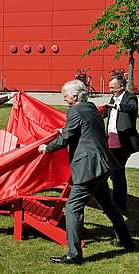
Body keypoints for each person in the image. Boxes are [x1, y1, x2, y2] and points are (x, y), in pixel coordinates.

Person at [38, 80, 136, 265]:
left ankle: (74, 255)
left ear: (75, 96)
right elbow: (83, 130)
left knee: (73, 206)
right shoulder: (90, 107)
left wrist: (46, 148)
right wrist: (64, 130)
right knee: (108, 205)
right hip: (103, 165)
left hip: (89, 167)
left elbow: (65, 139)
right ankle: (127, 242)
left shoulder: (74, 111)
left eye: (65, 96)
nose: (64, 99)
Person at [103, 75, 139, 212]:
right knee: (112, 173)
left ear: (122, 86)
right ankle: (114, 202)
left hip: (124, 143)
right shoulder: (113, 98)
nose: (111, 90)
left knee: (118, 172)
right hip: (111, 142)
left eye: (113, 88)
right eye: (110, 87)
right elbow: (106, 113)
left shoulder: (130, 98)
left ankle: (119, 205)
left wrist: (115, 106)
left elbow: (130, 108)